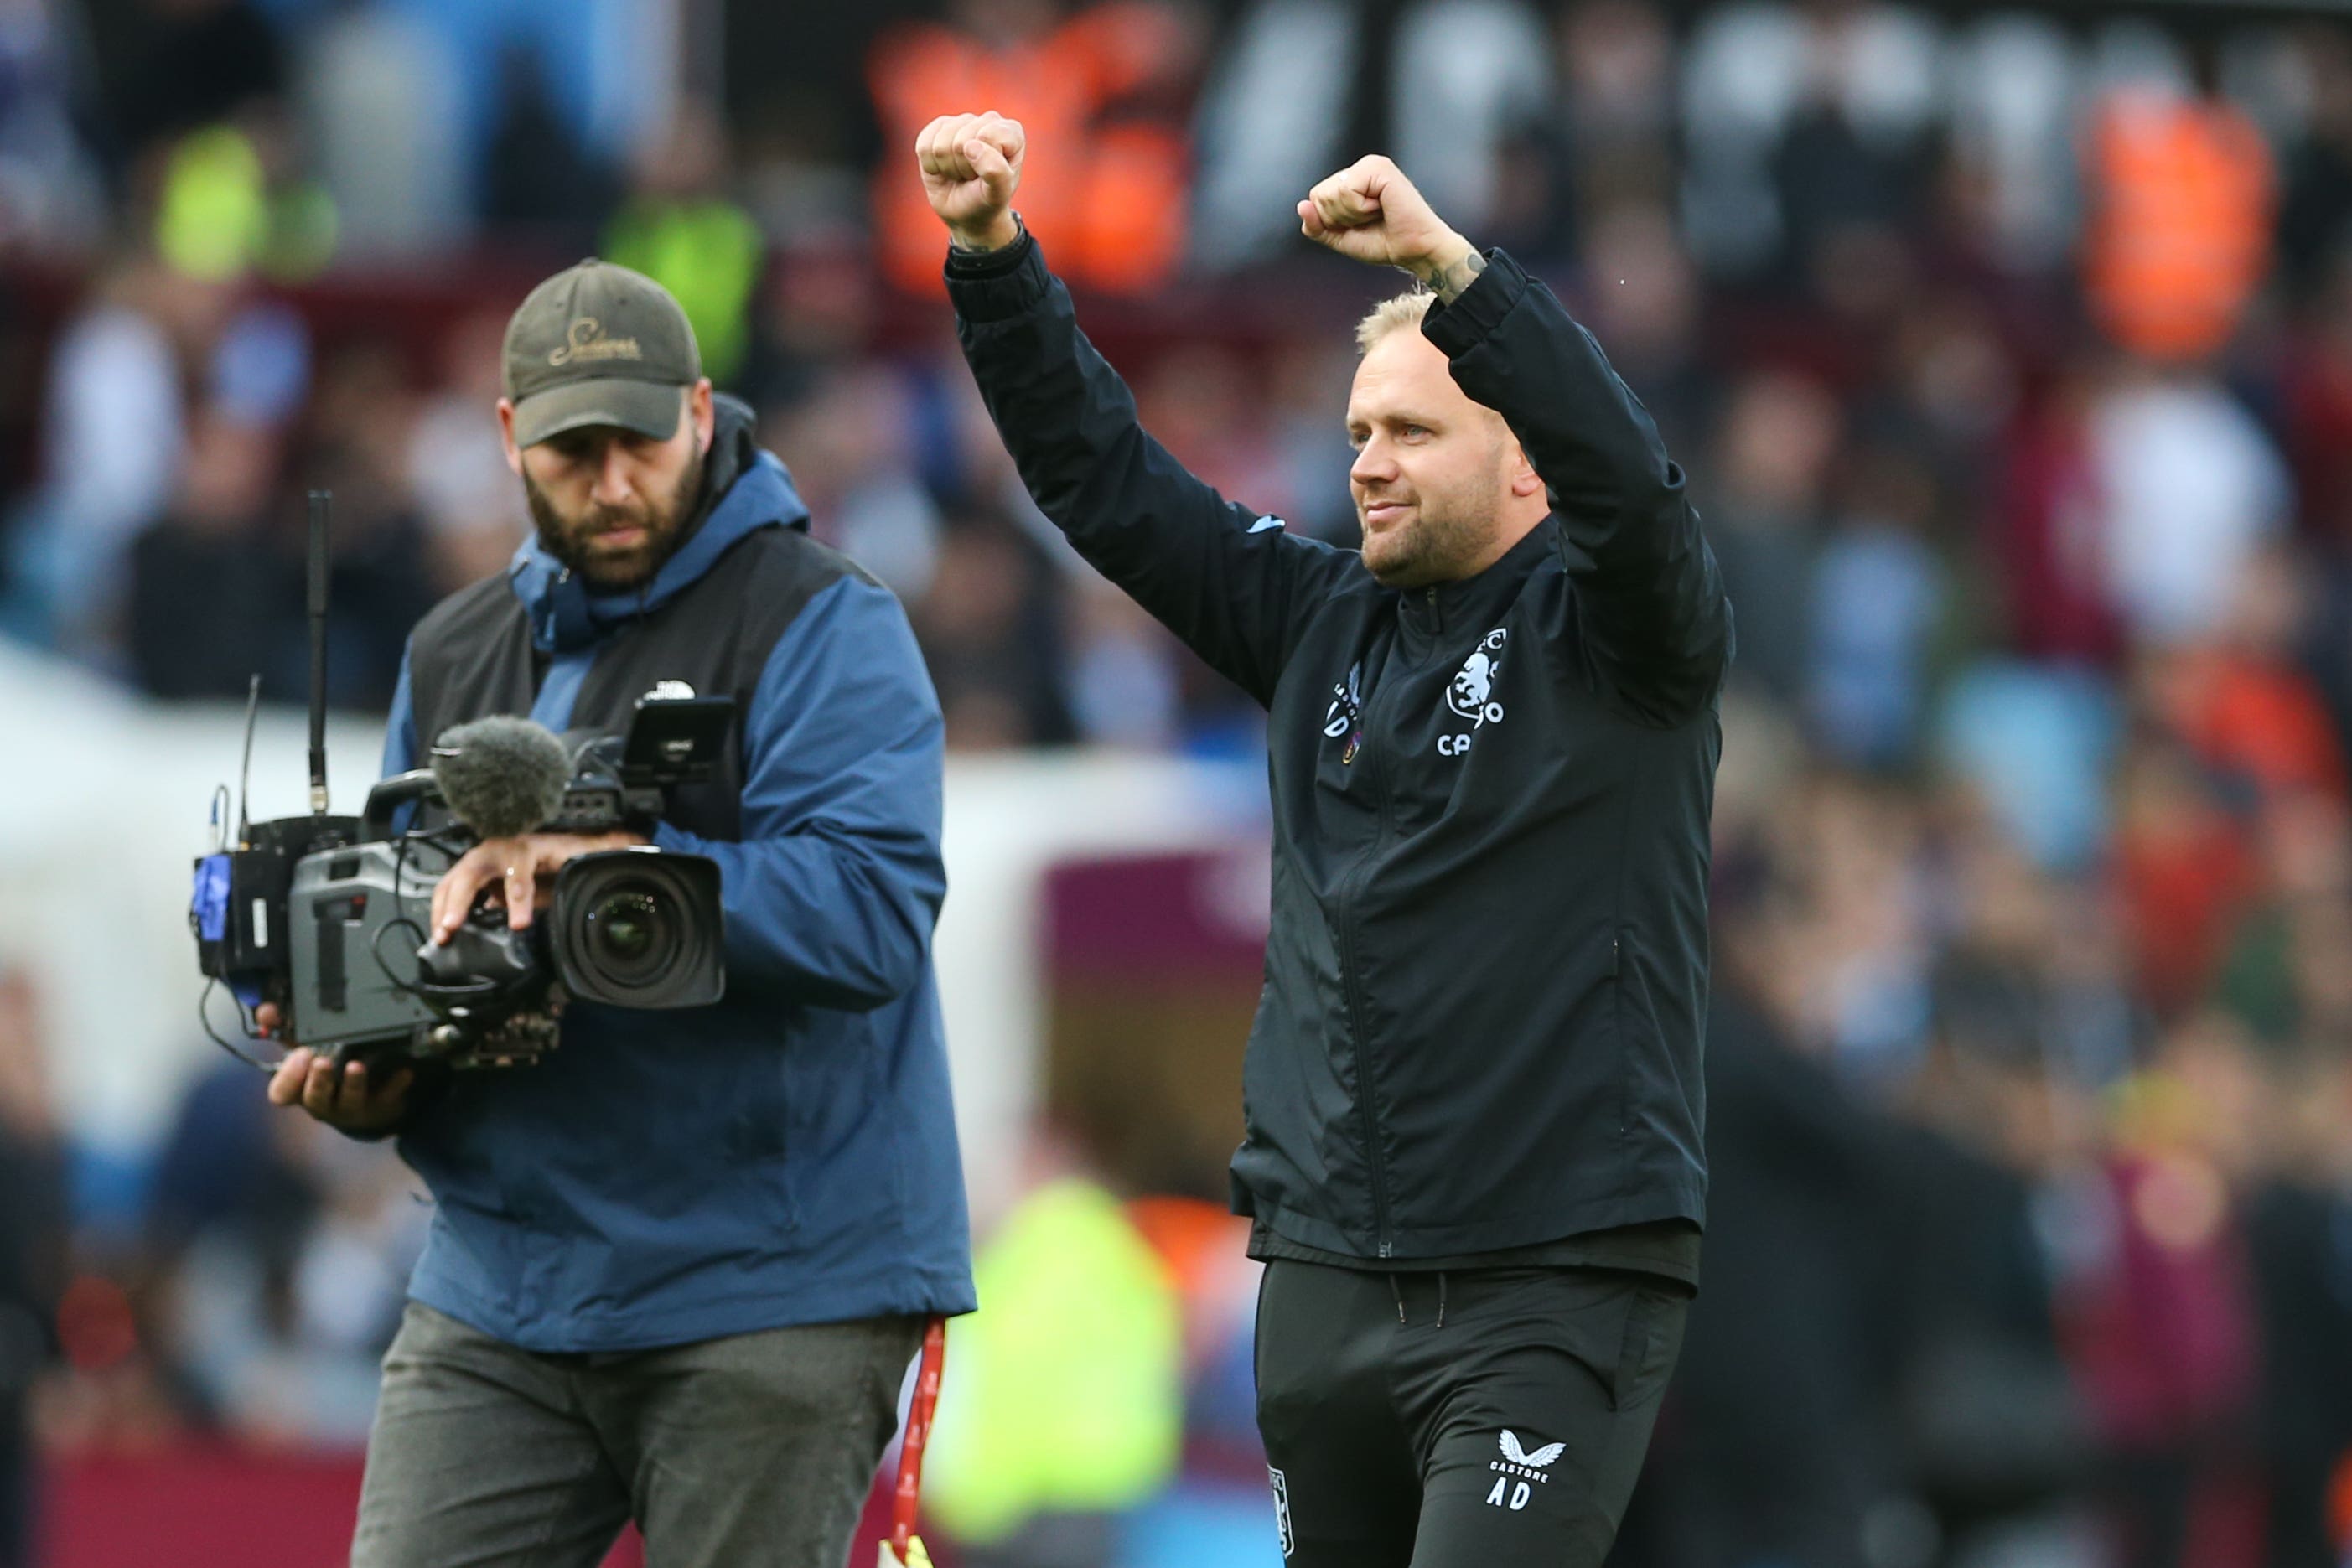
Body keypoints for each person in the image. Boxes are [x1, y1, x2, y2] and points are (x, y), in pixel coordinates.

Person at [919, 111, 1732, 1565]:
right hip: (1322, 1282)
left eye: (1413, 431)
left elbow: (1634, 486)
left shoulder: (1627, 642)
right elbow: (1103, 482)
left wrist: (1451, 270)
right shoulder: (1316, 625)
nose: (1367, 462)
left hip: (1547, 1281)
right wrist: (991, 257)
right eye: (1357, 431)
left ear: (1529, 464)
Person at [260, 258, 976, 1568]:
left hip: (774, 1287)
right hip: (503, 1286)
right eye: (569, 449)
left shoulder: (822, 622)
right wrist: (380, 1080)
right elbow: (430, 945)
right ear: (505, 440)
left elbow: (872, 911)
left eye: (637, 442)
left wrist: (607, 865)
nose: (608, 481)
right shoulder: (452, 648)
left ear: (700, 413)